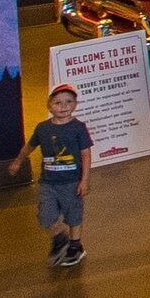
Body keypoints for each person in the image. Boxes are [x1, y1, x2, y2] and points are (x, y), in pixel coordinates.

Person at [16, 83, 93, 270]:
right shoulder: (43, 129)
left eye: (68, 102)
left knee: (73, 214)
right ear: (49, 106)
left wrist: (84, 180)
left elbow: (86, 154)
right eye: (58, 102)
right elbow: (30, 146)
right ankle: (60, 238)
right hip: (48, 182)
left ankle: (75, 246)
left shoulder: (78, 128)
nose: (63, 106)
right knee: (45, 215)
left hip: (71, 182)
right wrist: (18, 160)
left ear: (75, 104)